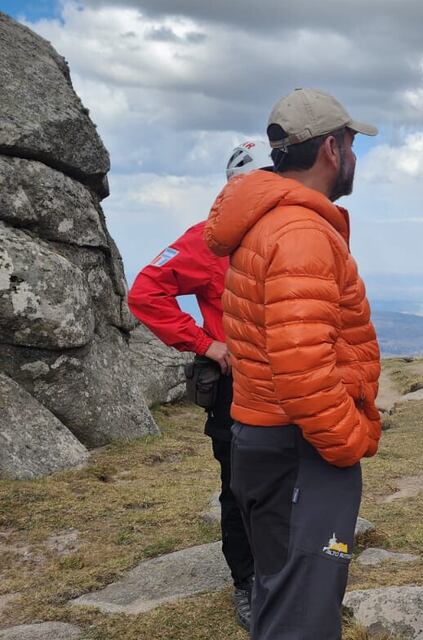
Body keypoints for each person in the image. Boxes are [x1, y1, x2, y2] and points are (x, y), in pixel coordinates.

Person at [204, 88, 382, 640]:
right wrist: (350, 441)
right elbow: (303, 370)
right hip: (299, 449)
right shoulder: (301, 232)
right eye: (351, 144)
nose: (353, 156)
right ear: (331, 148)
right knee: (302, 615)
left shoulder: (269, 221)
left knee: (281, 598)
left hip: (268, 440)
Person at [127, 139, 270, 630]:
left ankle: (290, 573)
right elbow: (146, 292)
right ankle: (247, 582)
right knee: (240, 488)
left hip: (293, 383)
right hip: (237, 387)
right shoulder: (209, 241)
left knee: (292, 481)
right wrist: (206, 344)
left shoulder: (295, 232)